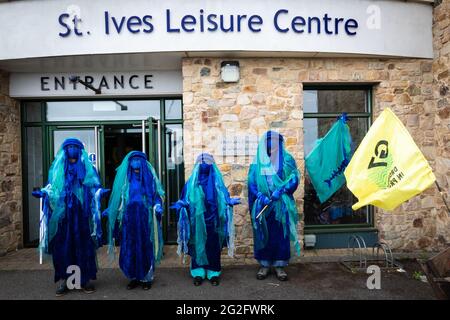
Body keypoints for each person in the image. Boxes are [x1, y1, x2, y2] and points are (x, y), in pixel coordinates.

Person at [32, 138, 109, 296]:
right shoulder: (57, 169)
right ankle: (65, 281)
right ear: (65, 150)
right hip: (63, 216)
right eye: (69, 147)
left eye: (75, 146)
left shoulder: (88, 169)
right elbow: (51, 187)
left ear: (80, 150)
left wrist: (100, 193)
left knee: (83, 246)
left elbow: (95, 187)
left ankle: (84, 280)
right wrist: (43, 193)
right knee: (64, 247)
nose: (72, 149)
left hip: (82, 215)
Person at [173, 153, 240, 286]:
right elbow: (186, 198)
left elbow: (224, 197)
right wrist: (183, 204)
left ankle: (213, 272)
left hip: (214, 221)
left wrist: (229, 201)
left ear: (212, 165)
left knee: (213, 245)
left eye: (208, 162)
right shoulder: (191, 183)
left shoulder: (217, 182)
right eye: (201, 162)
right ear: (197, 165)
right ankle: (198, 272)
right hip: (196, 222)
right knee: (198, 245)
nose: (204, 164)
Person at [105, 151, 164, 290]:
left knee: (145, 245)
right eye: (133, 160)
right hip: (129, 219)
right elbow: (119, 198)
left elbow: (157, 195)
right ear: (129, 163)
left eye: (139, 160)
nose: (136, 163)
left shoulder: (150, 179)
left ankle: (146, 277)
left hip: (145, 219)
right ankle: (133, 276)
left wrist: (157, 205)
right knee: (130, 246)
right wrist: (111, 210)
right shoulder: (125, 179)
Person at [247, 131, 301, 281]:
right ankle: (264, 265)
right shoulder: (258, 161)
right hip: (263, 206)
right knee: (264, 234)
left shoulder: (287, 160)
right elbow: (251, 182)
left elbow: (294, 179)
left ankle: (279, 266)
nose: (271, 147)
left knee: (280, 235)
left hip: (280, 205)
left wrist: (283, 190)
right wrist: (259, 195)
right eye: (268, 143)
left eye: (274, 144)